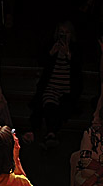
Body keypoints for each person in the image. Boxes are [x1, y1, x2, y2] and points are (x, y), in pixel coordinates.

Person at [30, 21, 83, 149]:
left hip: (67, 89)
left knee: (64, 107)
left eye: (67, 32)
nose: (63, 35)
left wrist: (68, 54)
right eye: (61, 32)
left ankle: (50, 134)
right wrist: (51, 53)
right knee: (49, 104)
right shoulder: (51, 45)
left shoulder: (75, 48)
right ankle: (51, 134)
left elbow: (78, 69)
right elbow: (41, 62)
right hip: (51, 86)